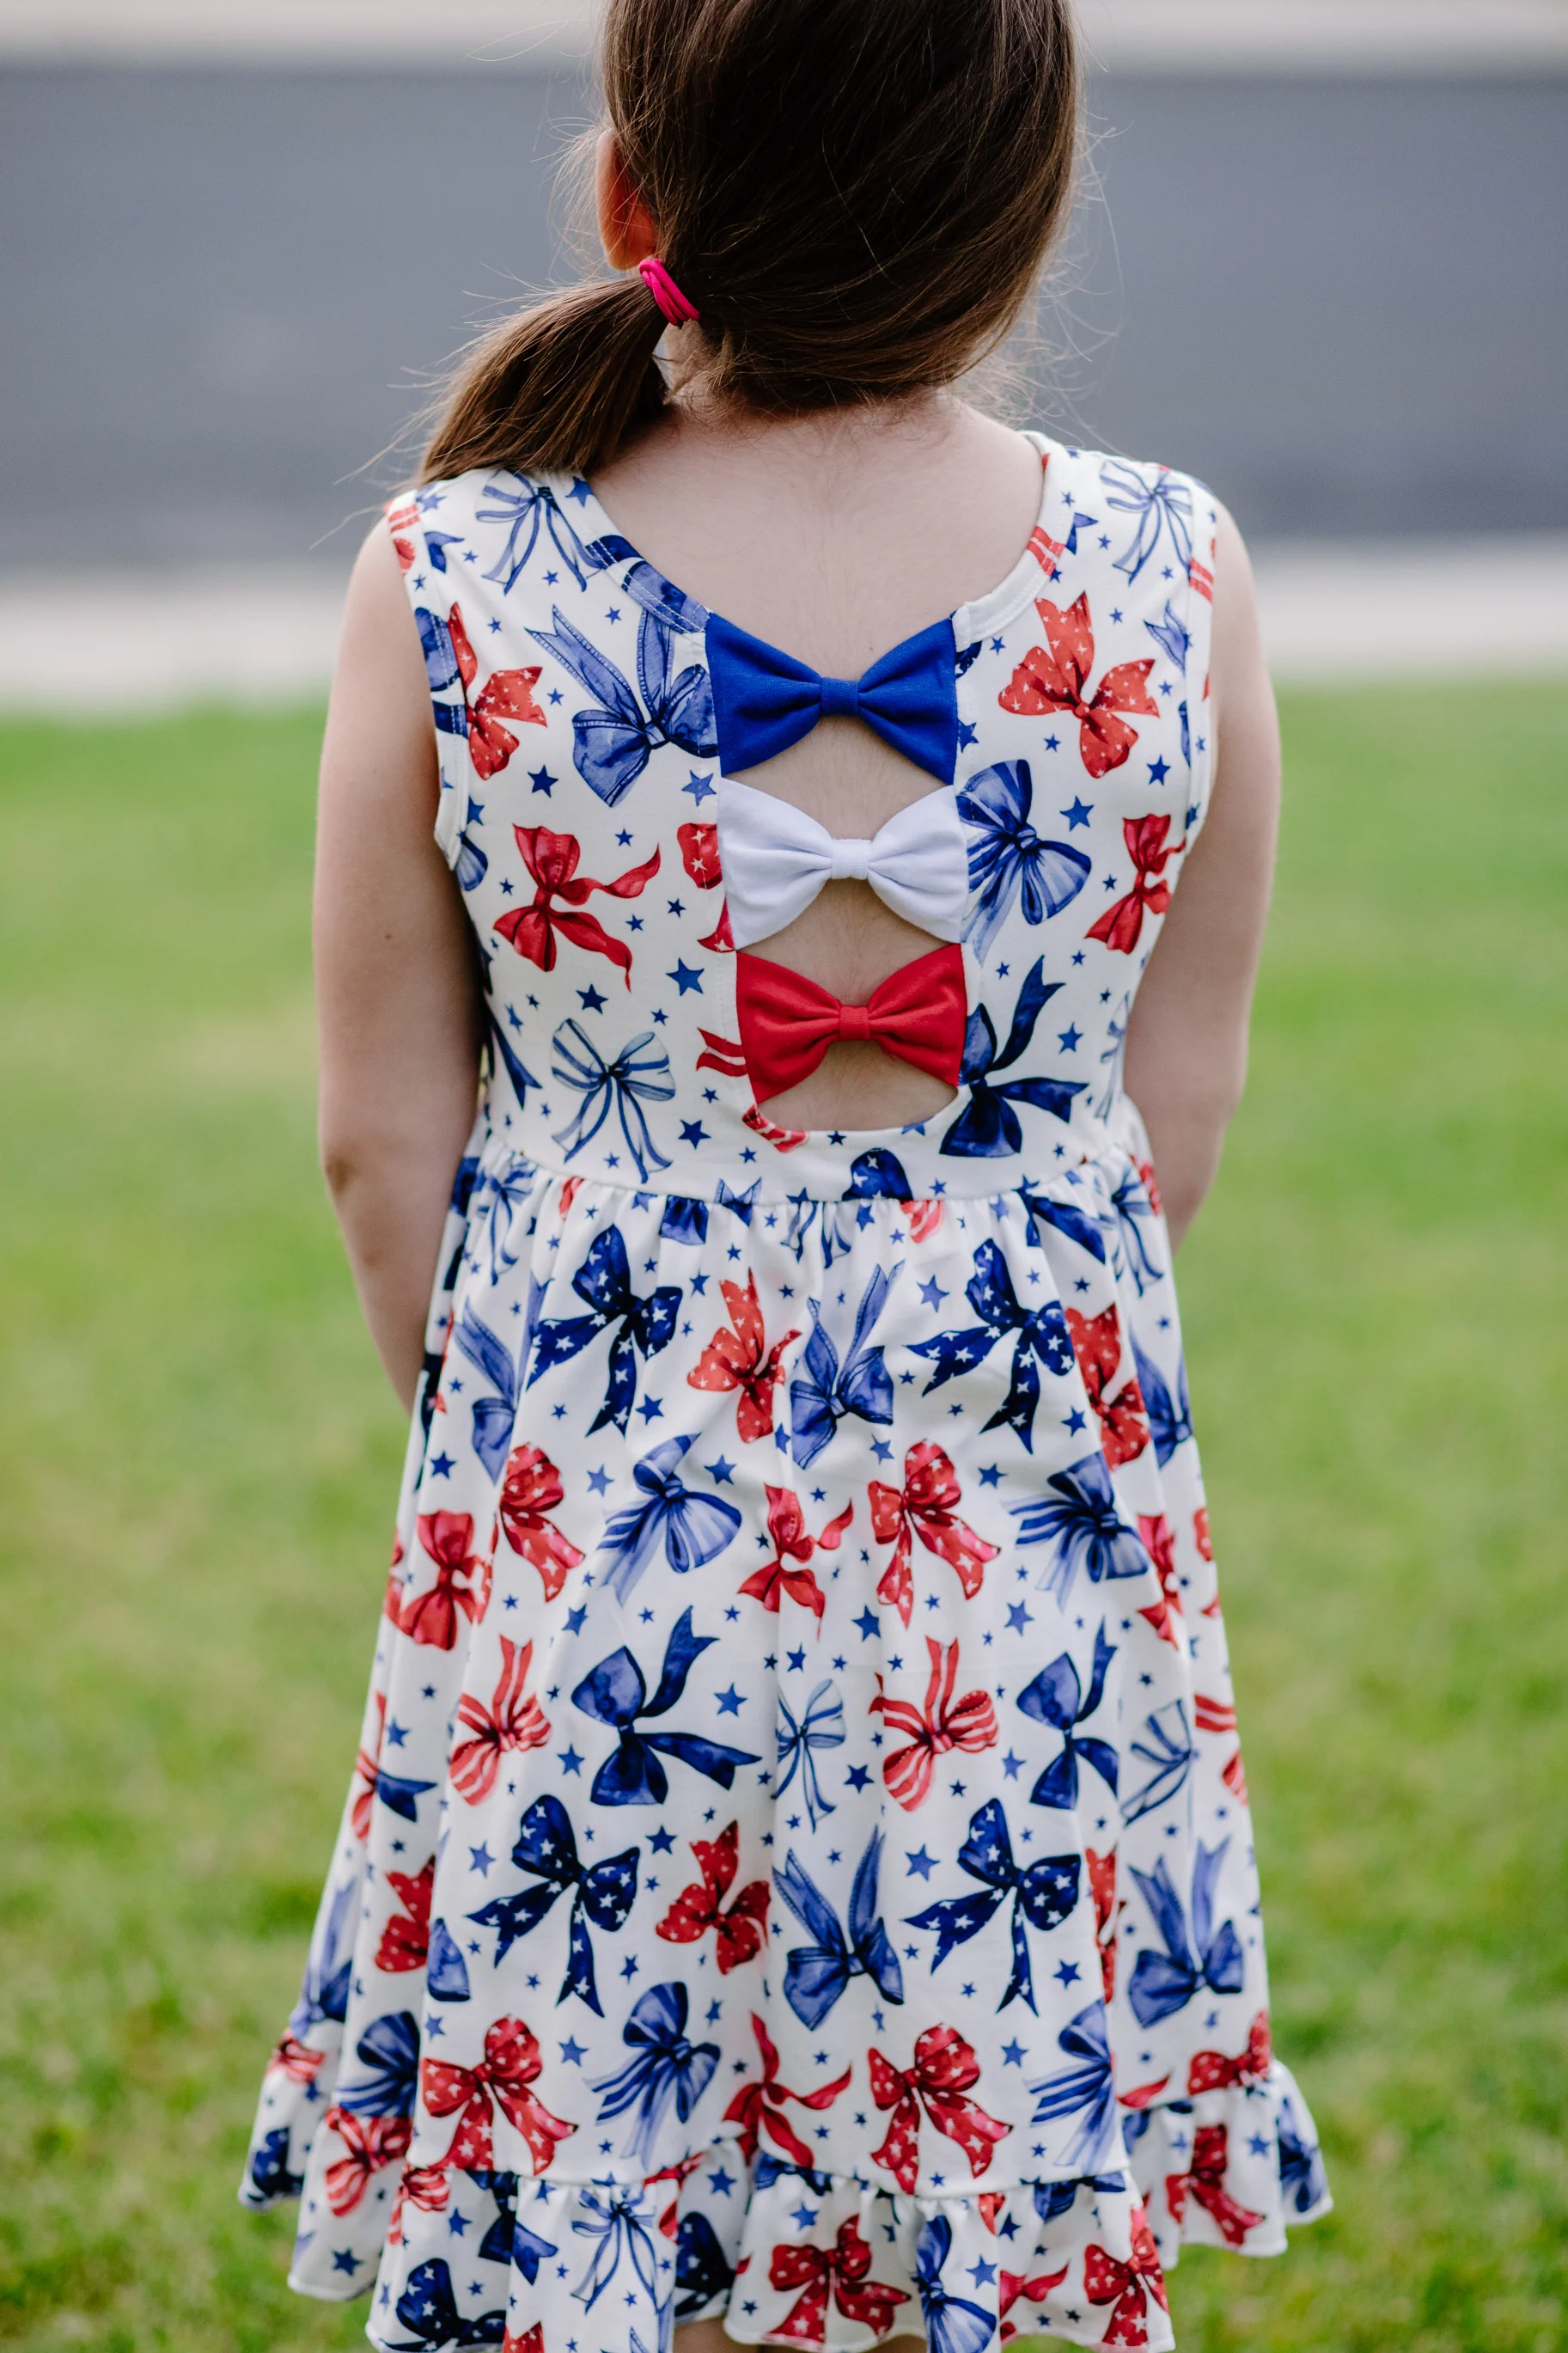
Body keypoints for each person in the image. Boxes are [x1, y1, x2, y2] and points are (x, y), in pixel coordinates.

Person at [241, 1, 1331, 2344]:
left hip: (595, 1508)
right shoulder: (1172, 569)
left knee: (615, 2089)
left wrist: (519, 1421)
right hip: (1012, 1533)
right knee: (956, 2072)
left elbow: (377, 1141)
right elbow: (1177, 1119)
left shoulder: (454, 580)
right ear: (1020, 228)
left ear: (639, 206)